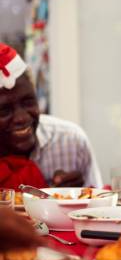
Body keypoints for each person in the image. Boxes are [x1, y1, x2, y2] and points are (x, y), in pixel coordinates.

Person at [0, 43, 102, 188]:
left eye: (28, 102)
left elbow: (102, 207)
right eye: (4, 111)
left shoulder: (71, 142)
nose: (21, 118)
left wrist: (80, 200)